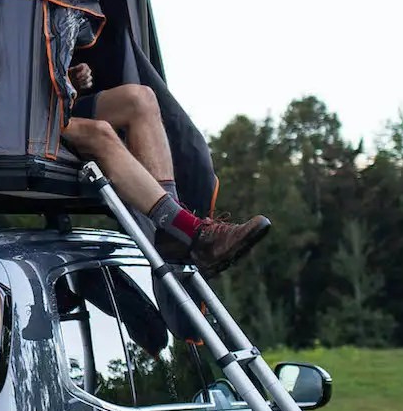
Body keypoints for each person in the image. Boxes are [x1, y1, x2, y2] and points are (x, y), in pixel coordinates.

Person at [61, 62, 271, 273]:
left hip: (55, 104)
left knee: (141, 98)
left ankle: (171, 231)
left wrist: (68, 77)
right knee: (100, 132)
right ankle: (187, 230)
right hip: (34, 123)